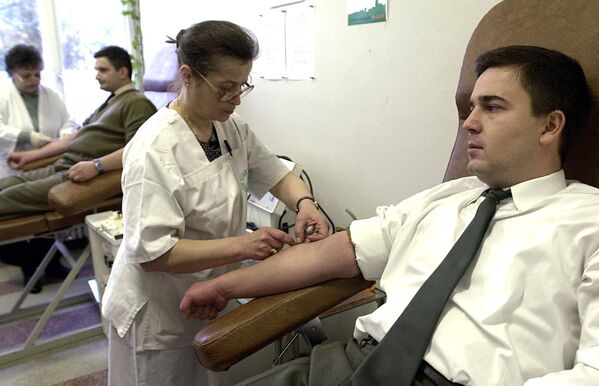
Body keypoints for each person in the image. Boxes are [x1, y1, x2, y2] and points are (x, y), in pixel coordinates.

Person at [180, 46, 599, 385]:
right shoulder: (445, 198)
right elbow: (334, 253)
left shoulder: (588, 222)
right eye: (470, 108)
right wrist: (226, 285)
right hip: (353, 363)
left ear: (550, 126)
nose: (469, 123)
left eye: (492, 107)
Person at [101, 21, 330, 386]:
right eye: (225, 89)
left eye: (242, 87)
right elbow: (153, 252)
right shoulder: (155, 150)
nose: (236, 99)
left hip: (206, 298)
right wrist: (243, 245)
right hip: (159, 312)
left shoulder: (230, 128)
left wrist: (305, 202)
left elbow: (276, 174)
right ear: (188, 75)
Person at [0, 45, 156, 292]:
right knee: (4, 186)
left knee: (6, 199)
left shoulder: (136, 103)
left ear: (123, 72)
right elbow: (73, 137)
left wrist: (97, 166)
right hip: (62, 166)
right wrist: (30, 155)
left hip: (74, 176)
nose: (97, 75)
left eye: (102, 70)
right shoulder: (110, 102)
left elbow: (138, 149)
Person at [0, 44, 76, 178]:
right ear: (12, 73)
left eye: (37, 74)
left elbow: (68, 121)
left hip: (49, 161)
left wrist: (65, 135)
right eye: (26, 76)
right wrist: (28, 136)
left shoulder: (52, 95)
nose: (33, 80)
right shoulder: (3, 95)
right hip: (12, 167)